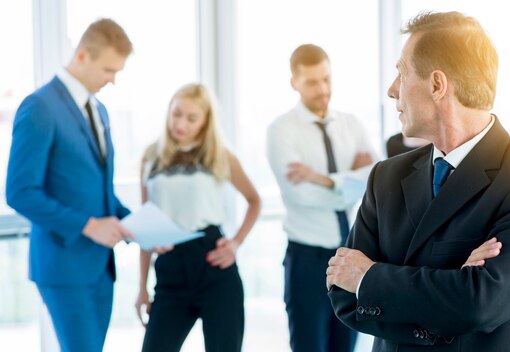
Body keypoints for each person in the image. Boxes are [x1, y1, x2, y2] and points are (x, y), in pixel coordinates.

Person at [326, 11, 510, 352]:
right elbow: (344, 297)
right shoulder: (385, 177)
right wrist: (454, 285)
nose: (392, 90)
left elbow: (482, 303)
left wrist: (370, 278)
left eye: (401, 73)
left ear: (437, 85)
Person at [6, 19, 134, 352]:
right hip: (64, 265)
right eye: (108, 69)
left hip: (101, 266)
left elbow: (99, 187)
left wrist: (135, 223)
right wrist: (88, 226)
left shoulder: (100, 110)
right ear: (82, 56)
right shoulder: (40, 107)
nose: (113, 80)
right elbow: (19, 191)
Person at [266, 44, 376, 352]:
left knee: (346, 345)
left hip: (350, 254)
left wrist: (324, 179)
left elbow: (376, 180)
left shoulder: (351, 124)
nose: (323, 89)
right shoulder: (281, 130)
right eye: (312, 82)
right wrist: (349, 181)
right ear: (294, 83)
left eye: (326, 79)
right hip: (307, 258)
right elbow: (300, 196)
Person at [135, 83, 261, 352]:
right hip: (169, 268)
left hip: (213, 264)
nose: (181, 123)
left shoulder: (220, 156)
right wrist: (142, 287)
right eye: (176, 113)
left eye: (192, 118)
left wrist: (236, 242)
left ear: (205, 122)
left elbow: (254, 200)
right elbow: (147, 225)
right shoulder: (150, 157)